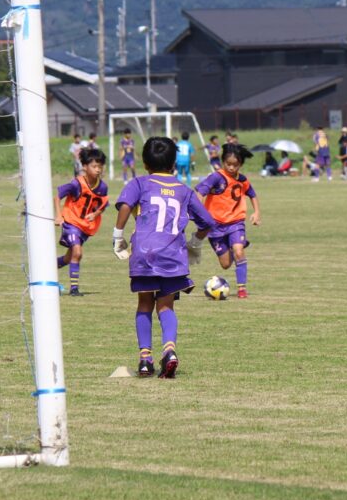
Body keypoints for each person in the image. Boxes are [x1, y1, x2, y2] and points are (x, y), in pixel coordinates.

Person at [112, 137, 215, 378]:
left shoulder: (139, 183)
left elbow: (125, 205)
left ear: (145, 163)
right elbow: (208, 222)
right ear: (173, 164)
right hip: (173, 256)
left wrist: (117, 236)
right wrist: (195, 242)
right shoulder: (184, 190)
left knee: (144, 304)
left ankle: (145, 359)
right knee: (166, 306)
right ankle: (169, 351)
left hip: (144, 254)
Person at [194, 143, 261, 299]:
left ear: (240, 164)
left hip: (235, 223)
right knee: (225, 264)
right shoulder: (216, 177)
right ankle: (234, 244)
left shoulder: (243, 180)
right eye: (228, 164)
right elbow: (199, 192)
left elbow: (252, 195)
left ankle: (242, 288)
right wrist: (199, 211)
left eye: (235, 165)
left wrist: (257, 212)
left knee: (239, 251)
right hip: (215, 227)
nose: (231, 167)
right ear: (223, 161)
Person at [54, 148, 109, 297]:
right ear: (85, 166)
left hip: (85, 228)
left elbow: (104, 205)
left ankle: (46, 270)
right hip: (71, 222)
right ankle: (74, 289)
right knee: (77, 252)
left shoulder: (102, 187)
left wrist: (95, 214)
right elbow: (57, 196)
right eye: (94, 166)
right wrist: (58, 216)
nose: (98, 170)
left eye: (100, 167)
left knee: (69, 258)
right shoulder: (76, 184)